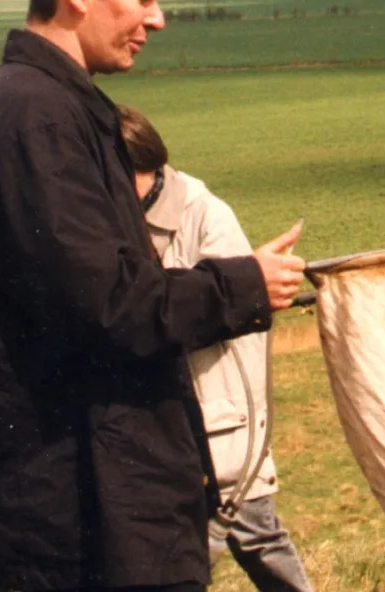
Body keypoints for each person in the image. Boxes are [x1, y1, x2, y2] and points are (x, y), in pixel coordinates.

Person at [0, 0, 307, 589]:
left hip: (94, 504)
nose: (158, 19)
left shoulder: (55, 106)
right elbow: (107, 305)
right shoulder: (36, 116)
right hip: (77, 522)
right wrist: (242, 285)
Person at [121, 105, 314, 592]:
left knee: (256, 536)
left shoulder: (206, 216)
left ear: (145, 168)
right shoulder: (116, 219)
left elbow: (234, 310)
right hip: (158, 422)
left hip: (218, 416)